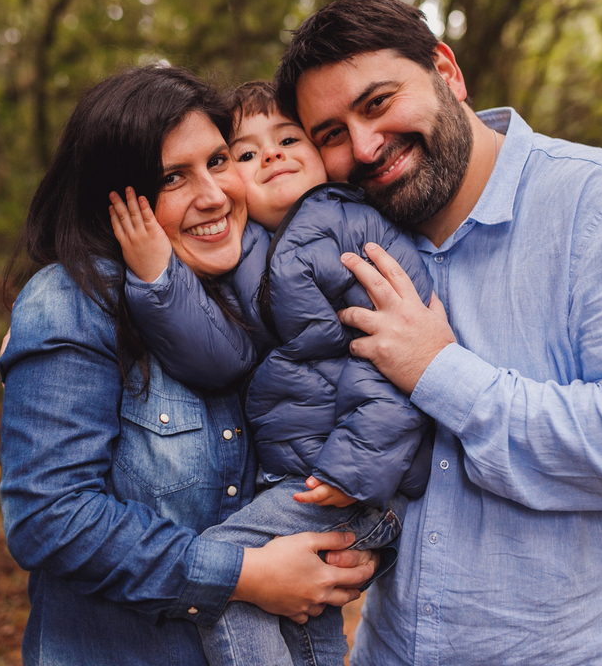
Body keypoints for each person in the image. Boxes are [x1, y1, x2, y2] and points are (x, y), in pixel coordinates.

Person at [271, 0, 602, 665]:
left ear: (446, 72)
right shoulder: (352, 244)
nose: (364, 146)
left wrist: (440, 373)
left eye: (378, 102)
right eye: (331, 133)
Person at [0, 66, 378, 666]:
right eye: (173, 177)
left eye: (220, 161)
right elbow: (49, 517)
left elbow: (316, 452)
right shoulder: (71, 302)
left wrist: (345, 551)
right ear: (114, 200)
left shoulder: (257, 293)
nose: (213, 195)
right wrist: (243, 573)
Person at [107, 80, 434, 666]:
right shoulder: (249, 250)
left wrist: (351, 470)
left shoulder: (353, 228)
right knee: (296, 625)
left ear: (322, 154)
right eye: (247, 154)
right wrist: (155, 278)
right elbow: (220, 354)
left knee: (228, 570)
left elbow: (397, 368)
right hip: (306, 476)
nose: (273, 156)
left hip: (341, 480)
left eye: (289, 139)